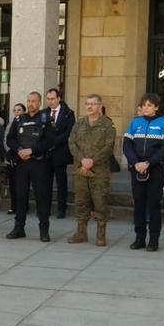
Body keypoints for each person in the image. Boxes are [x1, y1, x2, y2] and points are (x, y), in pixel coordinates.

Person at [123, 93, 164, 251]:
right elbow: (127, 145)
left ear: (156, 107)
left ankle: (153, 240)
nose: (146, 108)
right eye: (144, 105)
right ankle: (139, 238)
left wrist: (148, 162)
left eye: (149, 105)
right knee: (138, 203)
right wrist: (135, 162)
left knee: (153, 204)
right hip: (137, 168)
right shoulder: (135, 122)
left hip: (155, 169)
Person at [67, 95, 117, 246]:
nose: (89, 107)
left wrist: (92, 161)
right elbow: (71, 142)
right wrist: (82, 159)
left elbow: (109, 147)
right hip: (81, 168)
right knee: (81, 201)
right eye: (87, 104)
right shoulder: (79, 123)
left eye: (93, 104)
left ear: (100, 105)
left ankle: (101, 234)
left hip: (99, 170)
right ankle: (81, 232)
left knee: (100, 201)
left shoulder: (107, 125)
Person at [6, 92, 53, 242]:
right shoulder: (19, 119)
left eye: (34, 101)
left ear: (39, 103)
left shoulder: (46, 119)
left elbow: (49, 141)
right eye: (28, 100)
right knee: (20, 196)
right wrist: (19, 150)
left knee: (42, 197)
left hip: (39, 163)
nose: (30, 103)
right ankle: (19, 228)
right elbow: (10, 139)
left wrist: (32, 150)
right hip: (22, 163)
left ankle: (44, 230)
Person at [44, 89, 76, 220]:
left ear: (58, 98)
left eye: (52, 98)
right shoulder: (44, 113)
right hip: (46, 153)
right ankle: (46, 208)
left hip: (60, 152)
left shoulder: (68, 113)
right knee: (46, 182)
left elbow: (69, 132)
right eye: (48, 99)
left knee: (61, 182)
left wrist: (54, 142)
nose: (50, 101)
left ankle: (61, 208)